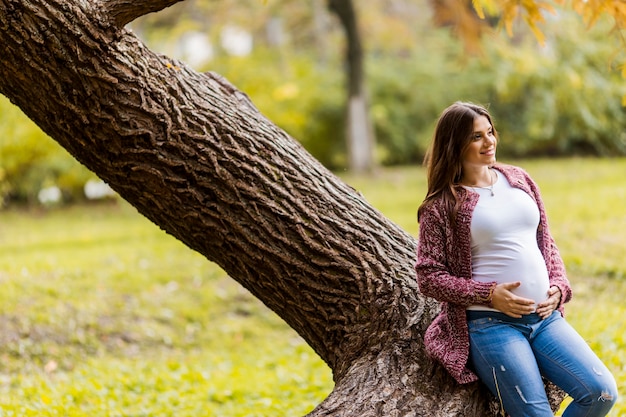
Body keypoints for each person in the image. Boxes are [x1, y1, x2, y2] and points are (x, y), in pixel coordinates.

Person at [415, 102, 618, 416]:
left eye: (490, 132)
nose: (489, 142)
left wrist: (559, 286)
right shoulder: (442, 205)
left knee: (601, 393)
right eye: (476, 137)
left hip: (546, 320)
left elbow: (545, 242)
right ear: (455, 144)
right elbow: (429, 276)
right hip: (491, 326)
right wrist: (488, 295)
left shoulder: (518, 178)